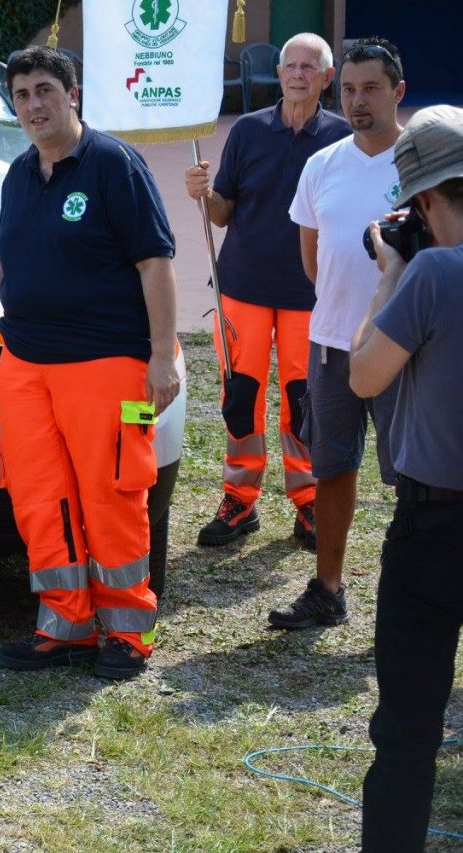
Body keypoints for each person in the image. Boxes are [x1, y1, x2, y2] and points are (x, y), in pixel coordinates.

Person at [0, 47, 179, 680]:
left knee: (111, 494)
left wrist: (163, 356)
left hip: (107, 361)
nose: (33, 105)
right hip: (25, 362)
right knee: (39, 495)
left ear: (72, 95)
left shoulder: (114, 164)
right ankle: (66, 624)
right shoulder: (20, 172)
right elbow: (6, 258)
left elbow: (155, 262)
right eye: (21, 95)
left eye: (45, 90)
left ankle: (128, 632)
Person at [185, 33, 349, 551]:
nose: (298, 74)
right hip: (243, 287)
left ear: (327, 77)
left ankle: (309, 501)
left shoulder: (342, 139)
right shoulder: (248, 131)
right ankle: (240, 498)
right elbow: (222, 213)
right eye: (290, 66)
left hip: (312, 294)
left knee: (307, 403)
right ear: (277, 74)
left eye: (309, 67)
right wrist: (203, 194)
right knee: (241, 398)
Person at [349, 104, 463, 852]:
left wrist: (391, 271)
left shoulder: (432, 272)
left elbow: (364, 375)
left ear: (422, 201)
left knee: (409, 730)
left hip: (435, 529)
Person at [275, 38, 407, 630]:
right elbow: (314, 260)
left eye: (371, 88)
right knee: (331, 468)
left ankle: (415, 599)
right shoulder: (321, 165)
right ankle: (327, 589)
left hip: (406, 348)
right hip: (330, 345)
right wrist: (343, 310)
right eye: (349, 89)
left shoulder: (424, 164)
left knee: (416, 480)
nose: (357, 101)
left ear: (398, 91)